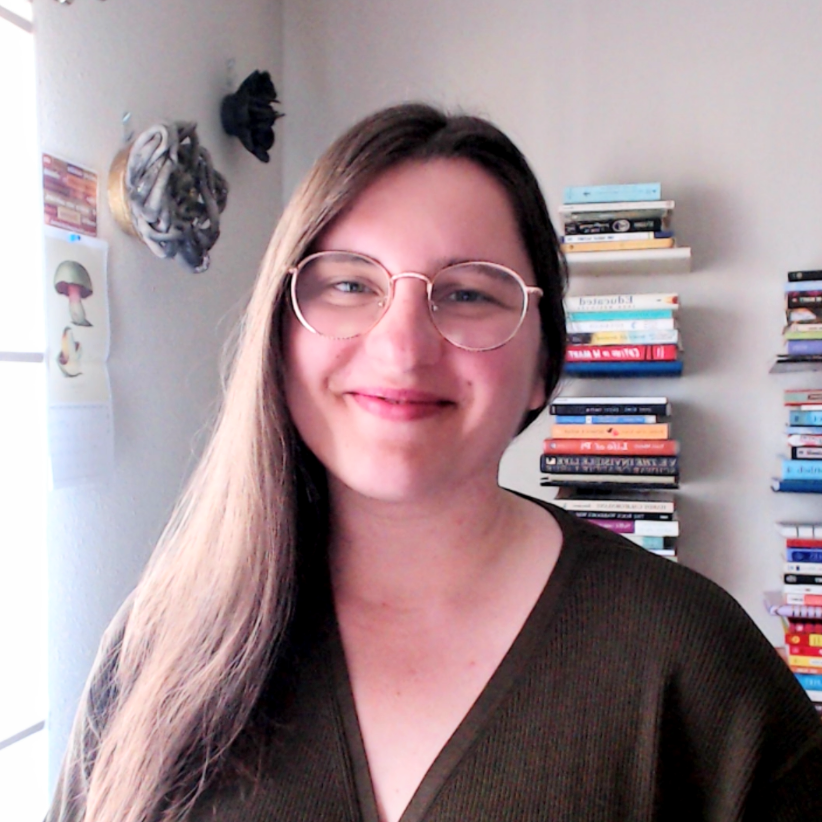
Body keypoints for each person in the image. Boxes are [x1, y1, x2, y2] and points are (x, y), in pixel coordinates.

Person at [47, 103, 822, 822]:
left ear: (544, 364)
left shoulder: (691, 660)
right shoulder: (163, 650)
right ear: (280, 335)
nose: (403, 348)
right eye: (350, 283)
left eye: (469, 295)